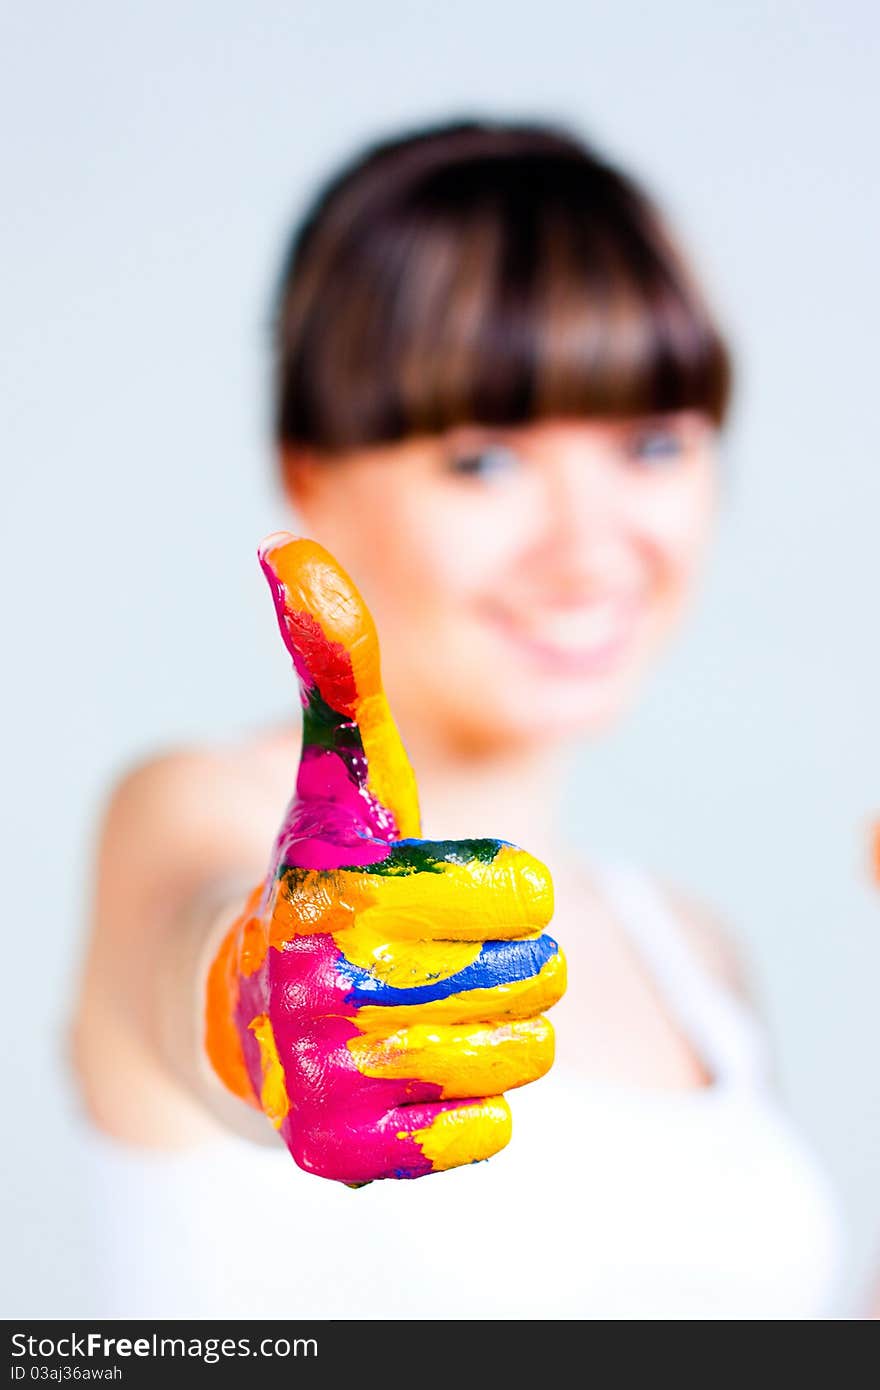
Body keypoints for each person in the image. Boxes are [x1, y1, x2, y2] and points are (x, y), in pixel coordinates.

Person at [70, 120, 842, 1318]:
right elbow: (205, 972)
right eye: (483, 460)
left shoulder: (691, 955)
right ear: (311, 473)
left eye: (650, 442)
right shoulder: (198, 812)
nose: (589, 548)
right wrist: (259, 1006)